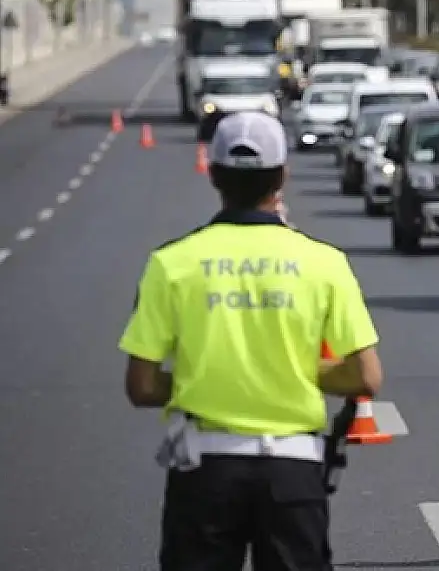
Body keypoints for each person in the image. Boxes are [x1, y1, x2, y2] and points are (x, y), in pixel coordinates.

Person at [119, 111, 384, 571]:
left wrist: (203, 378)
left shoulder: (171, 263)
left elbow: (141, 386)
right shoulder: (325, 263)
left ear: (214, 174)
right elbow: (366, 376)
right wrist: (300, 373)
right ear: (282, 175)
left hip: (205, 469)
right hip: (293, 471)